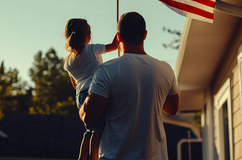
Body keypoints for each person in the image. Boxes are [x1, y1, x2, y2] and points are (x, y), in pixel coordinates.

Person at [79, 12, 179, 160]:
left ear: (118, 37)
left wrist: (82, 95)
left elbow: (88, 117)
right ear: (145, 34)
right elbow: (172, 109)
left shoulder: (106, 71)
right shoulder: (165, 69)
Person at [63, 18, 119, 160]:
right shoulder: (92, 49)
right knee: (97, 131)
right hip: (95, 93)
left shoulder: (68, 61)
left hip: (80, 97)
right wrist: (119, 32)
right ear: (87, 34)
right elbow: (114, 45)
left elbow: (75, 84)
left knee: (88, 131)